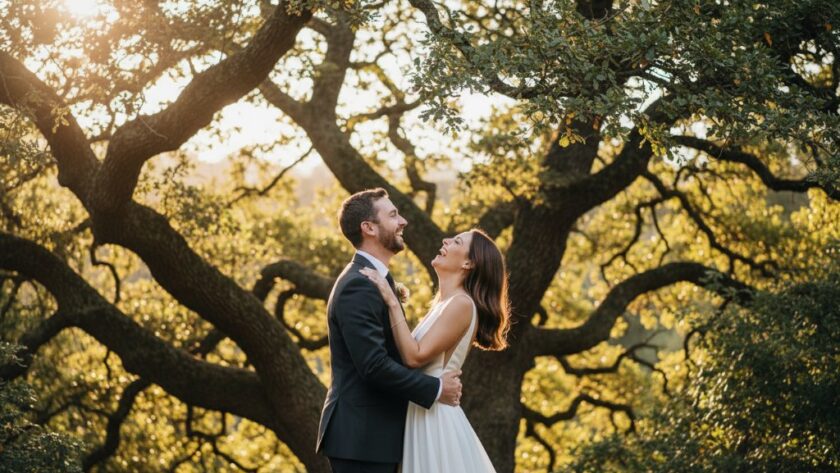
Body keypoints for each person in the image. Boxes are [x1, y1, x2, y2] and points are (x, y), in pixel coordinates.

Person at [316, 188, 463, 473]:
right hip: (361, 439)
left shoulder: (376, 280)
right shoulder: (358, 285)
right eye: (393, 214)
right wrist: (436, 388)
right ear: (368, 228)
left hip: (375, 437)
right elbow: (373, 365)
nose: (404, 221)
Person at [360, 225, 511, 473]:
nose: (446, 240)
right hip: (421, 412)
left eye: (457, 242)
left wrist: (391, 301)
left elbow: (414, 356)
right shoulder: (444, 303)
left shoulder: (462, 304)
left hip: (434, 420)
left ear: (469, 264)